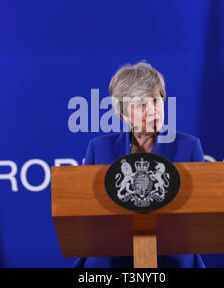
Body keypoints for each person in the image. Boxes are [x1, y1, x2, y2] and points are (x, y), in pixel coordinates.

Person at [72, 61, 206, 268]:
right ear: (124, 114)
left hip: (171, 254)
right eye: (142, 105)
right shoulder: (99, 149)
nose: (153, 111)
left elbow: (203, 211)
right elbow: (84, 213)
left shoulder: (188, 147)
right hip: (111, 255)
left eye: (156, 100)